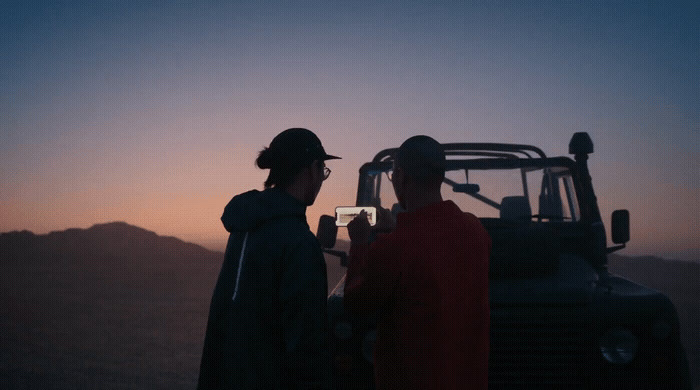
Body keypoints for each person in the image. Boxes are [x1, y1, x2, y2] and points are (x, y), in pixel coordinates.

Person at [344, 135, 491, 390]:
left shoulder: (393, 247)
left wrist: (359, 244)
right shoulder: (476, 231)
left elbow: (356, 304)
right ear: (441, 176)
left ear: (400, 176)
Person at [197, 128, 339, 390]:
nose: (322, 179)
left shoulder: (247, 222)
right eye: (324, 171)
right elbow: (307, 348)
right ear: (312, 169)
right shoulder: (297, 241)